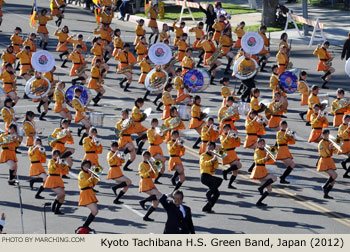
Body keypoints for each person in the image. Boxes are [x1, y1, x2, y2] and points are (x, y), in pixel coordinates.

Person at [250, 138, 277, 207]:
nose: (262, 144)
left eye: (263, 142)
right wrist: (265, 158)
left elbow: (269, 160)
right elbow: (257, 161)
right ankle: (261, 188)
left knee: (269, 189)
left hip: (263, 169)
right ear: (258, 144)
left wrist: (270, 155)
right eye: (261, 142)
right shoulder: (257, 151)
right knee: (274, 178)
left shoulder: (264, 151)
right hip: (258, 169)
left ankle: (259, 202)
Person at [138, 151, 162, 221]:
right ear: (143, 157)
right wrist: (149, 171)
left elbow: (156, 173)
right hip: (145, 182)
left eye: (148, 156)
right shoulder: (141, 165)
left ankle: (146, 217)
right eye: (145, 156)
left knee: (156, 203)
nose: (147, 157)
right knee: (159, 195)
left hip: (150, 182)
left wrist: (156, 166)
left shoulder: (151, 163)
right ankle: (143, 201)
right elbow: (142, 175)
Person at [200, 142, 222, 213]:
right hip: (204, 176)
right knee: (219, 180)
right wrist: (211, 160)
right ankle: (208, 193)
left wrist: (215, 159)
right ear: (207, 147)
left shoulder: (213, 156)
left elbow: (216, 166)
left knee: (217, 194)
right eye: (209, 147)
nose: (210, 148)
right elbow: (204, 163)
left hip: (209, 176)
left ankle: (207, 208)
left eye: (212, 147)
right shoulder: (203, 155)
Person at [44, 149, 68, 215]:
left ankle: (57, 210)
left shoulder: (60, 162)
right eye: (55, 155)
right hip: (52, 179)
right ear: (53, 155)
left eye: (58, 155)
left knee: (63, 196)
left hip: (58, 179)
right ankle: (53, 203)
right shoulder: (51, 161)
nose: (57, 156)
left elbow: (65, 171)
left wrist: (63, 165)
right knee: (61, 193)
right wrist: (56, 162)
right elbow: (51, 168)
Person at [317, 130, 338, 199]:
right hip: (324, 161)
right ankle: (324, 186)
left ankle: (326, 194)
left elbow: (335, 152)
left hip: (329, 160)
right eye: (325, 134)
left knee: (333, 181)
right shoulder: (321, 143)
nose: (327, 136)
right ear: (322, 135)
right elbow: (323, 154)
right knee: (334, 175)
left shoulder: (329, 141)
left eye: (328, 134)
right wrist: (329, 148)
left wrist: (334, 146)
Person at [78, 160, 99, 229]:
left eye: (88, 166)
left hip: (90, 192)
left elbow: (93, 184)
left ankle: (86, 225)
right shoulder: (81, 174)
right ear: (82, 166)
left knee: (95, 211)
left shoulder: (89, 173)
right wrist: (91, 178)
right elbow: (84, 184)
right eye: (85, 166)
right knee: (94, 210)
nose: (87, 167)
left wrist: (95, 176)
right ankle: (85, 226)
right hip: (85, 193)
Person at [220, 124, 242, 189]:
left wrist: (236, 137)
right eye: (225, 128)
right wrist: (228, 136)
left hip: (232, 153)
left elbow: (237, 143)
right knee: (239, 165)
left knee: (235, 172)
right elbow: (224, 143)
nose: (227, 129)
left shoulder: (231, 135)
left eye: (228, 128)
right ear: (223, 129)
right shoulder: (222, 136)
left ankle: (229, 184)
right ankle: (225, 171)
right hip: (227, 153)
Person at [147, 118, 166, 184]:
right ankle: (148, 178)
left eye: (156, 123)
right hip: (152, 148)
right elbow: (151, 140)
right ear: (151, 124)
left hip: (158, 147)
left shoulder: (159, 130)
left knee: (162, 169)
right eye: (154, 123)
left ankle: (156, 179)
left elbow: (163, 138)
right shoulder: (149, 131)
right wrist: (155, 133)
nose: (155, 124)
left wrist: (163, 133)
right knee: (161, 160)